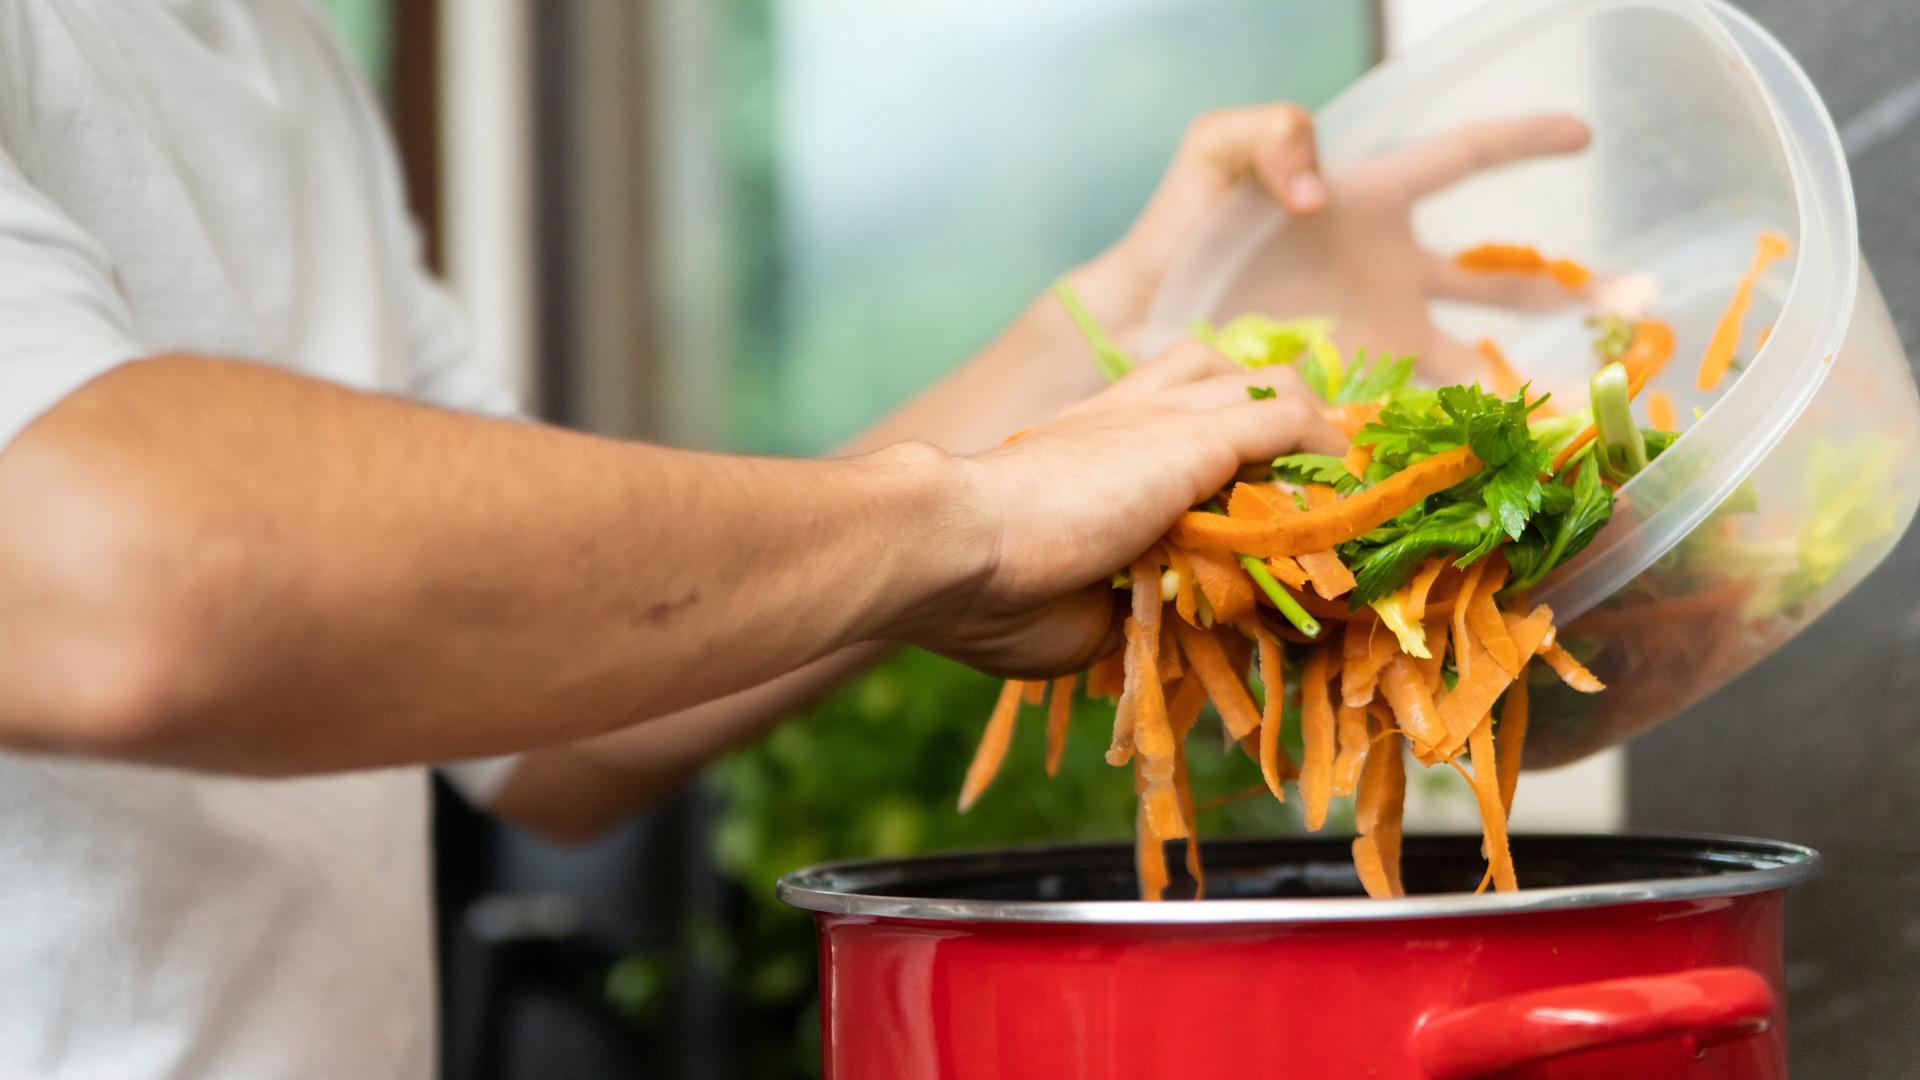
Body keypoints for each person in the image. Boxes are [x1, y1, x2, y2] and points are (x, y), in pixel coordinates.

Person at [0, 2, 1588, 1075]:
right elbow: (117, 574)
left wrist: (1128, 330)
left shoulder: (272, 57)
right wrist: (957, 525)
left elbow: (575, 694)